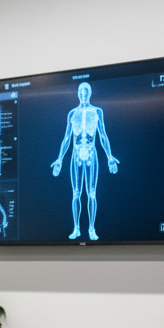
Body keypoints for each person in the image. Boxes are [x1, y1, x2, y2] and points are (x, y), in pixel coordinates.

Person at [50, 81, 119, 241]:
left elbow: (102, 135)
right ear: (77, 93)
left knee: (92, 193)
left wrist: (109, 156)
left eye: (86, 91)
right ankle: (76, 229)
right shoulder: (72, 113)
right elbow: (67, 138)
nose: (83, 93)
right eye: (81, 91)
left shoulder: (97, 112)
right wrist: (59, 159)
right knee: (75, 193)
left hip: (91, 153)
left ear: (90, 93)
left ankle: (92, 229)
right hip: (75, 155)